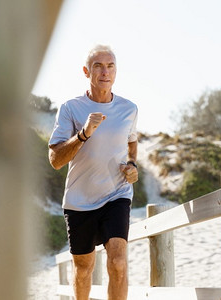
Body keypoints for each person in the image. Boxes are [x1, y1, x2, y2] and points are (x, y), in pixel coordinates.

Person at [48, 44, 138, 300]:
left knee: (118, 261)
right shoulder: (70, 109)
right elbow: (55, 160)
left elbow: (132, 142)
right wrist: (83, 134)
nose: (105, 72)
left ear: (116, 71)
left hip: (116, 195)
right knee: (84, 269)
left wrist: (132, 165)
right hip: (80, 201)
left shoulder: (129, 109)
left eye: (110, 66)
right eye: (98, 66)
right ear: (86, 71)